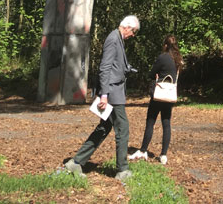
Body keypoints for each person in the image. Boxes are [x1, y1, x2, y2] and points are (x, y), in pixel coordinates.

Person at [64, 15, 140, 182]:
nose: (133, 35)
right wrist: (104, 95)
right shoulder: (113, 39)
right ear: (127, 27)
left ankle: (76, 162)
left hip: (114, 91)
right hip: (112, 93)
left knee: (104, 128)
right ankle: (123, 170)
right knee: (123, 127)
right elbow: (104, 68)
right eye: (134, 31)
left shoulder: (117, 39)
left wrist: (125, 69)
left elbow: (113, 66)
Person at [129, 34, 183, 165]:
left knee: (150, 122)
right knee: (166, 123)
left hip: (159, 94)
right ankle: (163, 155)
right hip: (169, 95)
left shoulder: (163, 57)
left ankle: (143, 151)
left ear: (165, 44)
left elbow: (151, 74)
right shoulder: (178, 59)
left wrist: (156, 75)